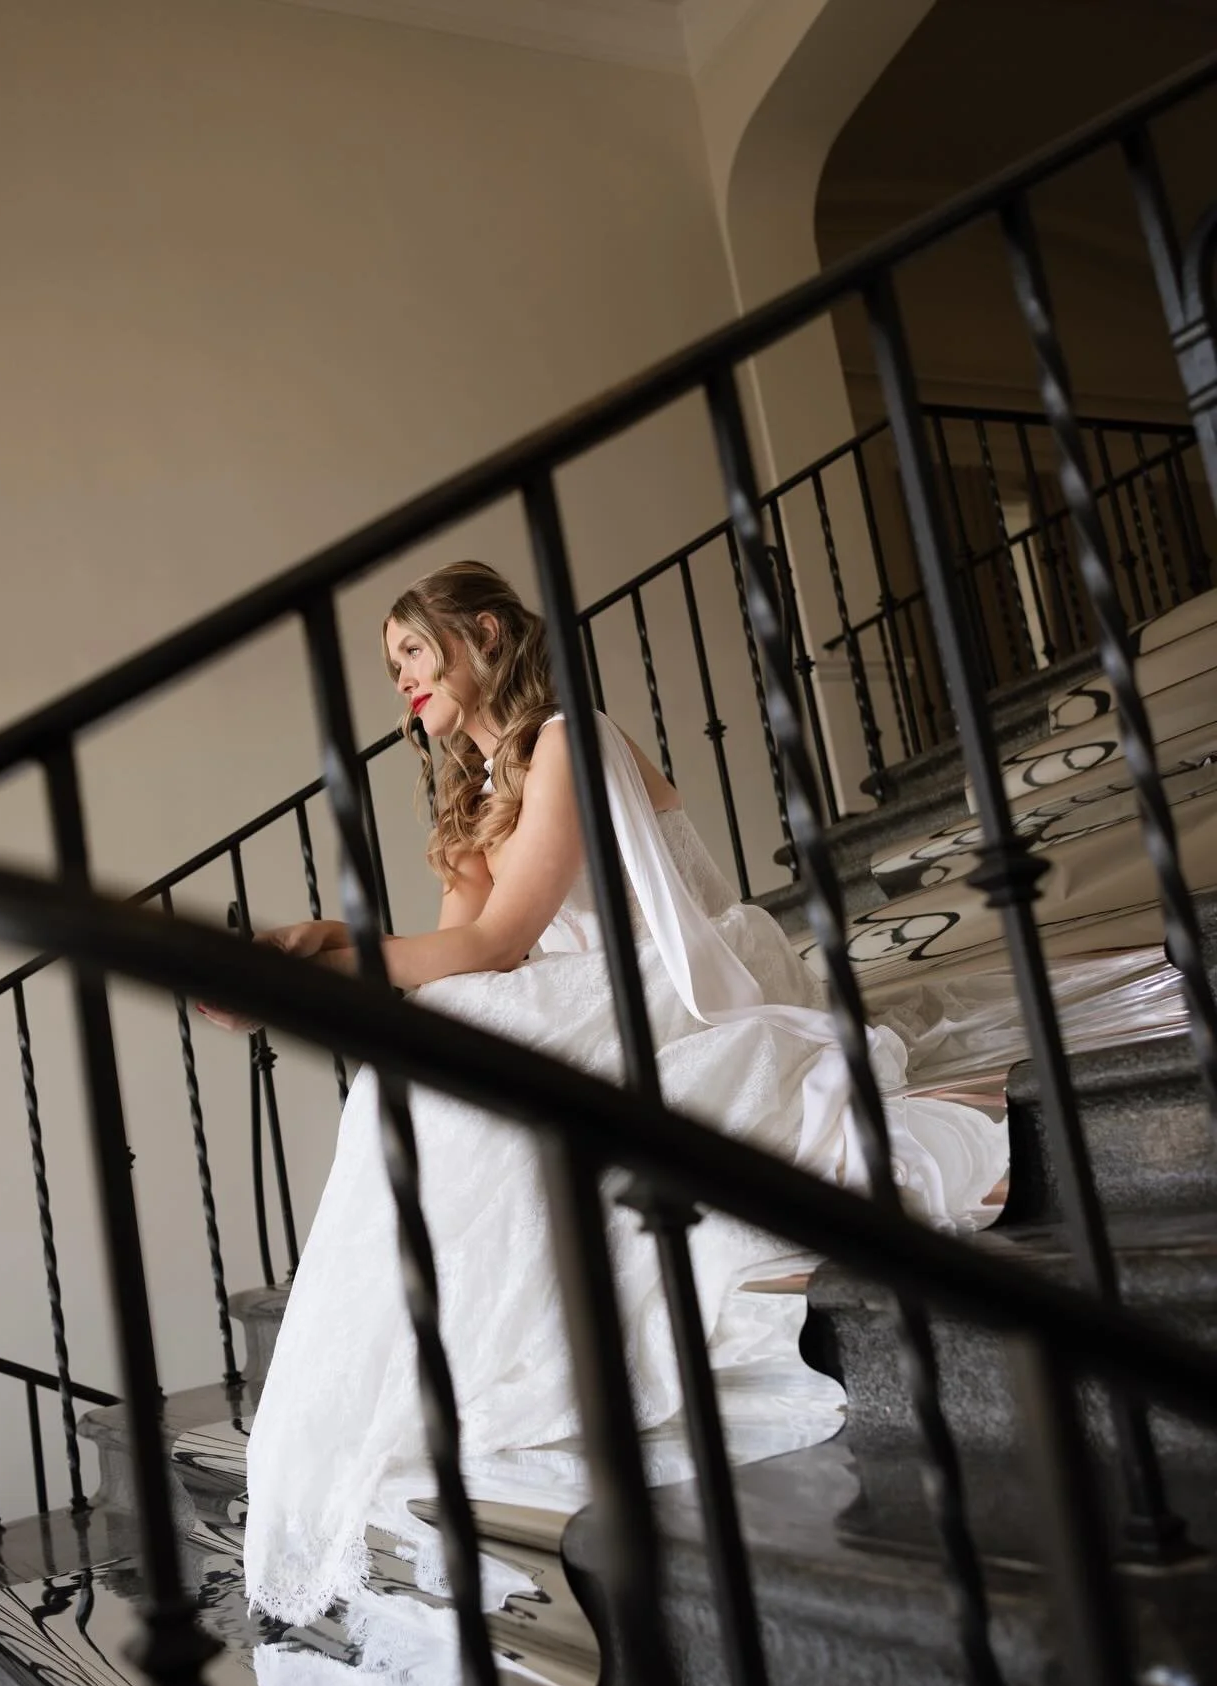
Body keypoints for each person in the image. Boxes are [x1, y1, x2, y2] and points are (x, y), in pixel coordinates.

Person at [203, 560, 1008, 1628]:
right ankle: (454, 1355)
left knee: (454, 1064)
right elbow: (463, 958)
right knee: (428, 1059)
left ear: (483, 635)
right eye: (391, 662)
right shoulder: (479, 786)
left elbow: (502, 941)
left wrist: (336, 964)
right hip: (566, 987)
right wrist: (318, 952)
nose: (399, 679)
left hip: (667, 982)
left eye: (411, 651)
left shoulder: (568, 744)